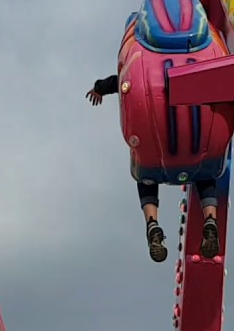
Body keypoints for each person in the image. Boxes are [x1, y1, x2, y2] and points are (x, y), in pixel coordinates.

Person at [87, 75, 220, 262]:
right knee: (204, 171)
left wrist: (98, 88)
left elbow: (119, 80)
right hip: (192, 138)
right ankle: (210, 218)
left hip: (158, 142)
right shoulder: (196, 67)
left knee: (146, 173)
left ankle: (152, 222)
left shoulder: (145, 72)